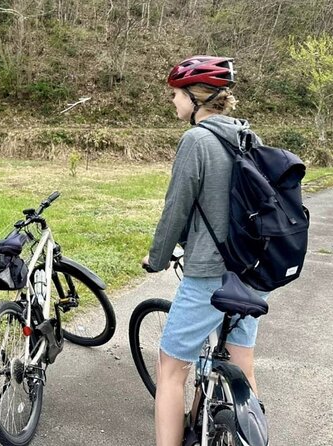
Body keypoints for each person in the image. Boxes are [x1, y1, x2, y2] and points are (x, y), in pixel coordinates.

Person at [141, 56, 268, 446]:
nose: (173, 102)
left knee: (171, 369)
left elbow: (176, 208)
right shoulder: (249, 136)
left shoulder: (196, 140)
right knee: (242, 360)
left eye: (176, 94)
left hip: (209, 274)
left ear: (196, 97)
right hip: (252, 270)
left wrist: (157, 259)